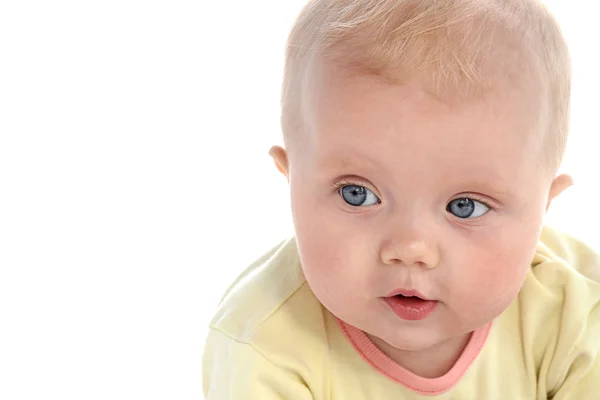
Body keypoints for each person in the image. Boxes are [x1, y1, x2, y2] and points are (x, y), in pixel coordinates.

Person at [203, 0, 600, 398]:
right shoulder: (263, 346)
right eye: (357, 195)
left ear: (543, 206)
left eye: (465, 206)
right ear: (290, 179)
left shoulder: (577, 315)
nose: (411, 249)